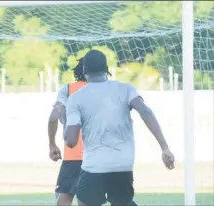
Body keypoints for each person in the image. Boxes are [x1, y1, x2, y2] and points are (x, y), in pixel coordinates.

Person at [63, 50, 175, 206]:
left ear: (84, 70)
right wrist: (164, 148)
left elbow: (71, 141)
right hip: (123, 164)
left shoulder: (76, 98)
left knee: (84, 202)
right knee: (122, 201)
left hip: (94, 167)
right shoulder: (125, 89)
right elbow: (145, 111)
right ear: (106, 68)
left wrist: (65, 122)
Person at [48, 58, 87, 206]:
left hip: (74, 155)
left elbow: (53, 116)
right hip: (99, 156)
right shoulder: (105, 90)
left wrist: (52, 144)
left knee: (62, 199)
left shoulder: (69, 89)